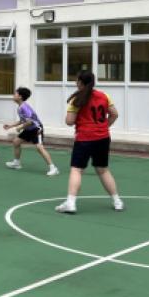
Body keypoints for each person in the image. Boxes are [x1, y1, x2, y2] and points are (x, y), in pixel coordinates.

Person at [56, 71, 124, 214]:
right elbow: (114, 114)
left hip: (84, 139)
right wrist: (104, 126)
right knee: (103, 170)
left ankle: (71, 203)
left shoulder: (77, 99)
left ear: (80, 82)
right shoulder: (104, 96)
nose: (75, 82)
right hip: (103, 138)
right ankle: (117, 201)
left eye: (76, 80)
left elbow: (69, 121)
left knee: (76, 169)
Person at [3, 87, 59, 176]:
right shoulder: (20, 107)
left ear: (20, 97)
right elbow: (23, 120)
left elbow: (30, 121)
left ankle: (53, 168)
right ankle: (17, 163)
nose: (13, 95)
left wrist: (21, 127)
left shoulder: (24, 107)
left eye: (15, 94)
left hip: (36, 129)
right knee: (16, 142)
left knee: (39, 147)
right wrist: (10, 126)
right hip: (29, 129)